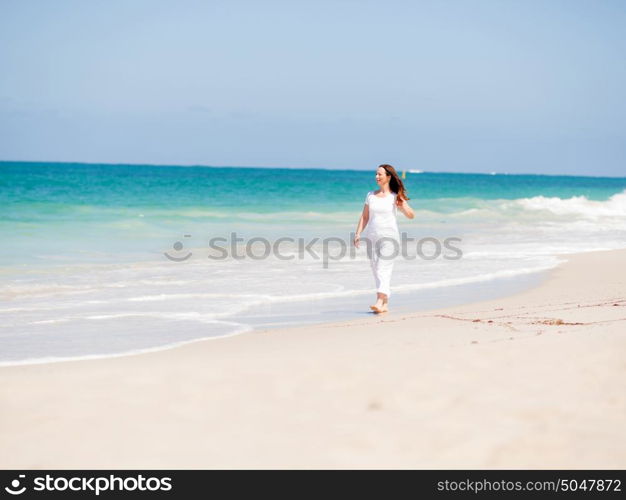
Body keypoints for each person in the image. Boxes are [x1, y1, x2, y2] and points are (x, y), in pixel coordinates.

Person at [354, 164, 415, 313]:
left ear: (388, 177)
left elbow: (411, 215)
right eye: (376, 174)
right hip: (372, 238)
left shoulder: (395, 196)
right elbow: (365, 216)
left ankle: (379, 300)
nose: (377, 177)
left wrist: (403, 206)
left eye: (380, 174)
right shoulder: (370, 195)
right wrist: (358, 233)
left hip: (390, 238)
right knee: (376, 269)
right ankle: (385, 303)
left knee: (383, 268)